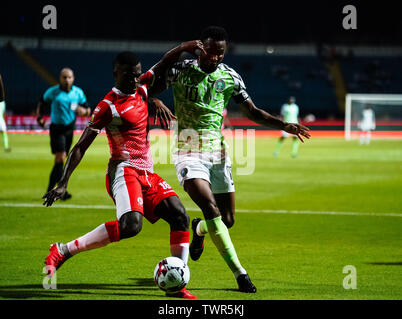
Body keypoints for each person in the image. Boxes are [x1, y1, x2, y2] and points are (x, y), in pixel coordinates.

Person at [42, 41, 206, 299]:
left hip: (146, 172)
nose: (134, 77)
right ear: (116, 73)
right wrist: (63, 182)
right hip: (123, 170)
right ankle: (62, 250)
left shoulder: (141, 87)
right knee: (131, 225)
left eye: (137, 72)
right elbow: (81, 146)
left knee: (179, 215)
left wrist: (185, 47)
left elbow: (164, 63)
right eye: (128, 74)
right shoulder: (108, 106)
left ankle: (177, 286)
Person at [161, 26, 310, 293]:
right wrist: (153, 99)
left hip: (218, 154)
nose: (216, 57)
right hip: (188, 151)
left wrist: (283, 124)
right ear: (200, 47)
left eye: (221, 53)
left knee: (227, 220)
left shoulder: (230, 77)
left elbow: (252, 111)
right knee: (211, 208)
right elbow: (149, 80)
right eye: (211, 51)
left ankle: (199, 231)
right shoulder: (181, 69)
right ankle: (240, 274)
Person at [36, 68, 91, 200]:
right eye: (64, 77)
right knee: (60, 158)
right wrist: (39, 118)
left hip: (69, 130)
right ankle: (56, 190)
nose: (67, 80)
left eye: (69, 77)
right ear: (60, 78)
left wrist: (83, 111)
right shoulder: (53, 92)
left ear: (73, 79)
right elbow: (41, 103)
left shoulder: (78, 93)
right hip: (56, 129)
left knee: (61, 161)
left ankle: (55, 190)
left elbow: (88, 109)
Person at [0, 73, 11, 152]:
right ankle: (6, 146)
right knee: (4, 131)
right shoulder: (3, 102)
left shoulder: (2, 102)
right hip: (1, 121)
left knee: (4, 130)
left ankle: (6, 146)